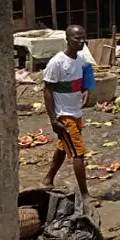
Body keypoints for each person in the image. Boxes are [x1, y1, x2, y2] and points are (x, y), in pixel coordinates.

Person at [42, 25, 92, 202]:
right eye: (76, 38)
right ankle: (85, 195)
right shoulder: (57, 63)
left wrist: (86, 90)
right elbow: (47, 91)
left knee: (63, 148)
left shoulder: (80, 60)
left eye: (83, 38)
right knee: (78, 153)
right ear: (67, 39)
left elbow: (83, 80)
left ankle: (48, 179)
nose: (81, 41)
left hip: (76, 112)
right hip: (64, 114)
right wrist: (53, 119)